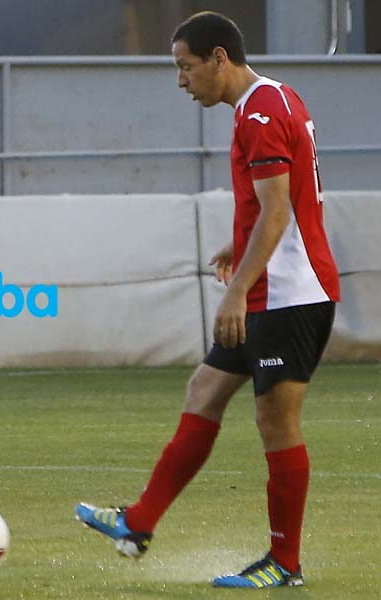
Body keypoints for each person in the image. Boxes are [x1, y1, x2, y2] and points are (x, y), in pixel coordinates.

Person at [75, 12, 340, 589]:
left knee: (276, 420)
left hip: (290, 294)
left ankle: (285, 563)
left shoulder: (262, 113)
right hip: (274, 283)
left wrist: (238, 292)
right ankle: (139, 522)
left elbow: (278, 212)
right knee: (205, 389)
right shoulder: (269, 100)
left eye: (185, 67)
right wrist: (238, 245)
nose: (181, 81)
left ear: (219, 58)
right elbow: (284, 203)